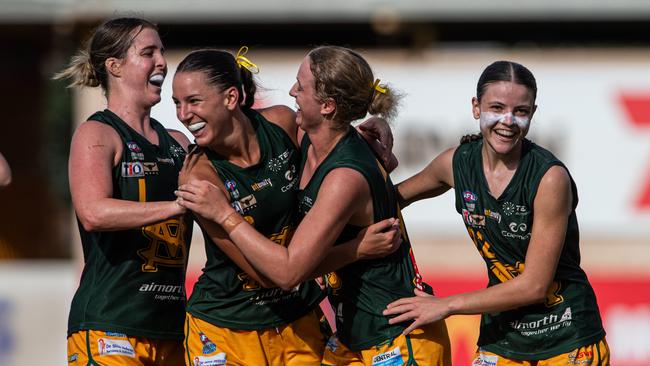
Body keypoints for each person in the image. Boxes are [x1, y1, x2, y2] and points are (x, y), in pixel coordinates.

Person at [176, 45, 451, 366]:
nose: (183, 114)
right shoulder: (203, 175)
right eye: (177, 103)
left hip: (381, 333)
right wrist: (357, 243)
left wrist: (225, 214)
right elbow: (281, 270)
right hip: (234, 327)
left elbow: (287, 271)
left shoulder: (330, 164)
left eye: (193, 101)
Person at [383, 61, 609, 365]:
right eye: (497, 107)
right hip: (502, 337)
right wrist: (365, 145)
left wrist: (446, 305)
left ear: (532, 115)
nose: (508, 120)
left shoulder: (549, 178)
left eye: (521, 111)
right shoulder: (455, 164)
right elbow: (384, 201)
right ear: (476, 108)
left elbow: (534, 286)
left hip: (566, 337)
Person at [55, 17, 192, 365]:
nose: (161, 61)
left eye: (161, 51)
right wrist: (176, 207)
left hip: (172, 328)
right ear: (114, 66)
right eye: (148, 52)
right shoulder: (97, 134)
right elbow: (93, 213)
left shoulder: (178, 143)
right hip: (110, 326)